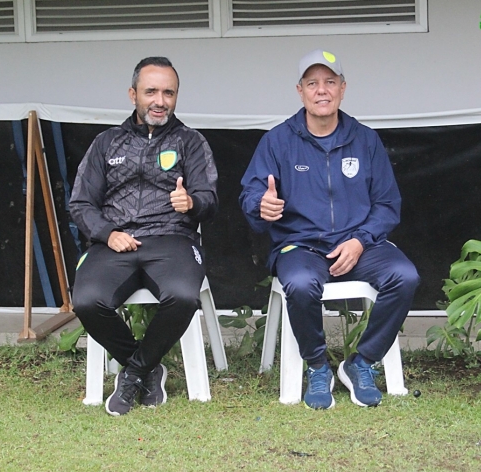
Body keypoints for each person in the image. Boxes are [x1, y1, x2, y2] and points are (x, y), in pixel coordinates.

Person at [239, 49, 419, 409]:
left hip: (360, 244)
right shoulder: (277, 141)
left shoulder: (365, 139)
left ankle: (362, 363)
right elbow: (251, 197)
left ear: (342, 88)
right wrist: (263, 206)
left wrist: (359, 240)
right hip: (301, 246)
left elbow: (387, 205)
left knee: (405, 276)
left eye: (330, 82)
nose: (322, 90)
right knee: (302, 284)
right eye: (313, 83)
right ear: (300, 91)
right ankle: (318, 367)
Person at [70, 56, 218, 416]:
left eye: (169, 92)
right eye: (151, 91)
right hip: (115, 242)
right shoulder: (106, 143)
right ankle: (149, 367)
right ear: (133, 94)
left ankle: (135, 372)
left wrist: (191, 202)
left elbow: (210, 200)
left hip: (172, 239)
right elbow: (80, 204)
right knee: (87, 301)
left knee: (183, 297)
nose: (160, 100)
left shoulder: (191, 142)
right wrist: (107, 233)